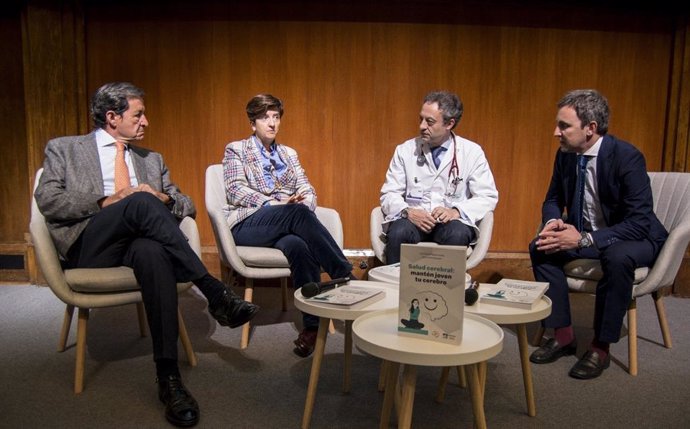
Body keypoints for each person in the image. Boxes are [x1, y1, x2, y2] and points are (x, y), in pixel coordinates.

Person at [34, 82, 259, 427]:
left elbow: (188, 205)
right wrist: (105, 200)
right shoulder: (65, 149)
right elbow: (48, 200)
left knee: (153, 251)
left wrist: (163, 197)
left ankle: (169, 380)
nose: (146, 122)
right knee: (137, 201)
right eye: (138, 114)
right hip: (91, 245)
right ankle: (212, 289)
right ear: (112, 117)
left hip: (139, 245)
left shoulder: (151, 159)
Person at [528, 89, 668, 380]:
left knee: (616, 257)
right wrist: (554, 222)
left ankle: (600, 347)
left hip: (637, 238)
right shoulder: (566, 156)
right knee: (541, 246)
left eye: (564, 126)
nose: (556, 132)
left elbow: (639, 221)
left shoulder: (627, 157)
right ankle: (564, 335)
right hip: (590, 234)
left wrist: (583, 239)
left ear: (590, 128)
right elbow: (553, 198)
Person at [222, 94, 356, 358]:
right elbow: (235, 190)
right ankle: (344, 275)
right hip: (248, 223)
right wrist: (276, 204)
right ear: (253, 123)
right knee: (294, 212)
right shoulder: (236, 149)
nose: (272, 123)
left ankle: (311, 327)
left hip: (284, 225)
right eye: (264, 117)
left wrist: (303, 200)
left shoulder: (288, 153)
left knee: (298, 246)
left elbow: (306, 186)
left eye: (276, 117)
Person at [379, 90, 498, 264]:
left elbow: (488, 196)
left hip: (450, 221)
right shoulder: (405, 150)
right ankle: (394, 288)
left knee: (457, 233)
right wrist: (408, 211)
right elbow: (388, 194)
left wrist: (456, 211)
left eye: (430, 122)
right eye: (421, 119)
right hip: (413, 218)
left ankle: (445, 291)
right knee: (398, 232)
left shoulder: (472, 152)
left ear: (450, 123)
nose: (421, 126)